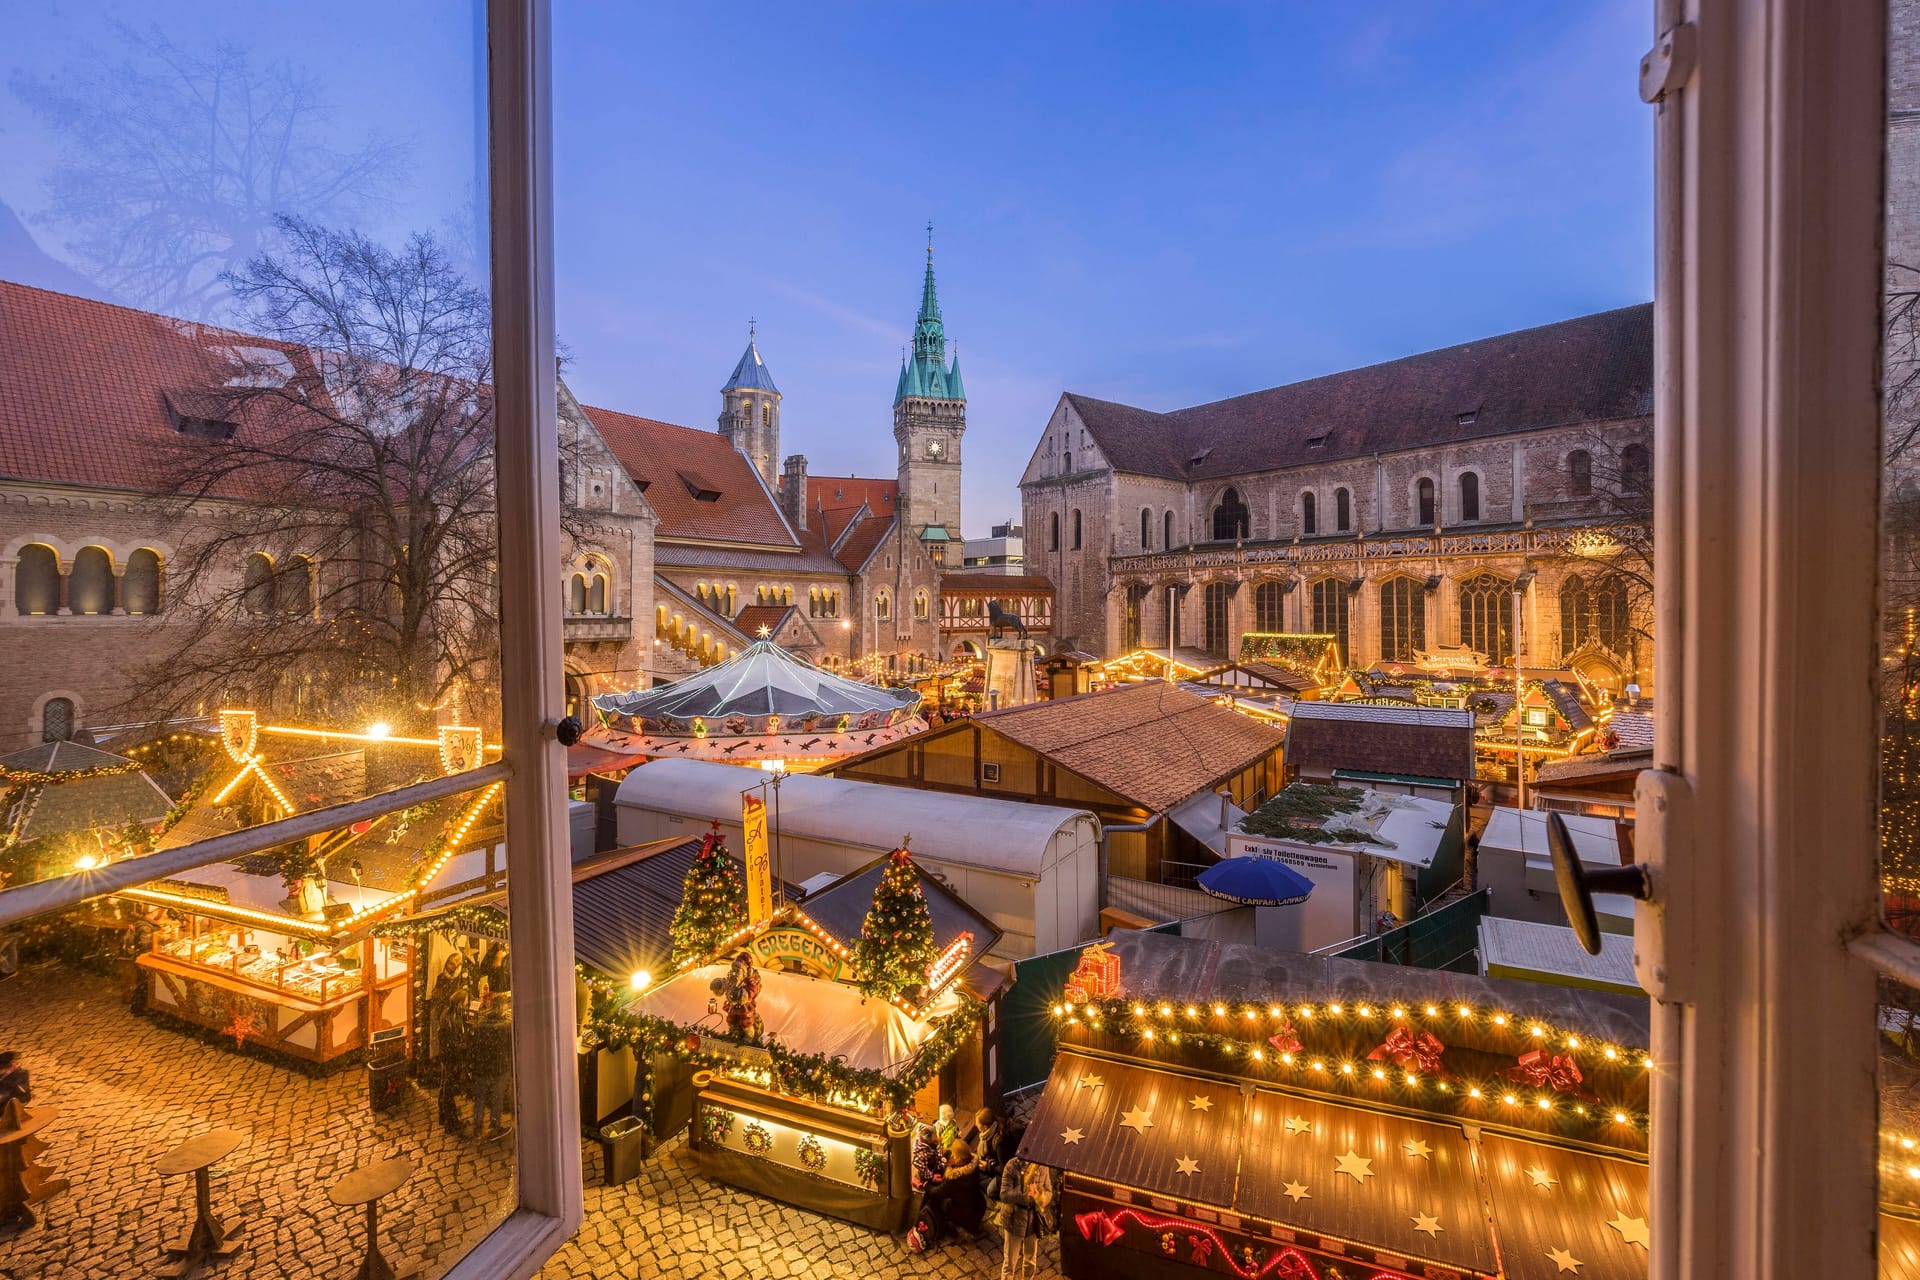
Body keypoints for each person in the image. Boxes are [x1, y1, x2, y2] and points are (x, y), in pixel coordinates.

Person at [995, 1157, 1055, 1280]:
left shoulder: (1042, 1166)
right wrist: (1023, 1192)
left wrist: (1039, 1197)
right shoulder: (1012, 1166)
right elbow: (1004, 1195)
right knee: (1010, 1261)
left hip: (1033, 1220)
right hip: (1014, 1218)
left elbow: (1048, 1191)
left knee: (1030, 1258)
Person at [468, 992, 513, 1139]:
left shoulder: (480, 1024)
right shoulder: (506, 1026)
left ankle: (477, 1127)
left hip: (482, 1067)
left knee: (480, 1098)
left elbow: (473, 1047)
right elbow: (509, 1048)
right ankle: (494, 1126)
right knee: (497, 1097)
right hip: (499, 1067)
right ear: (501, 1007)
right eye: (506, 1004)